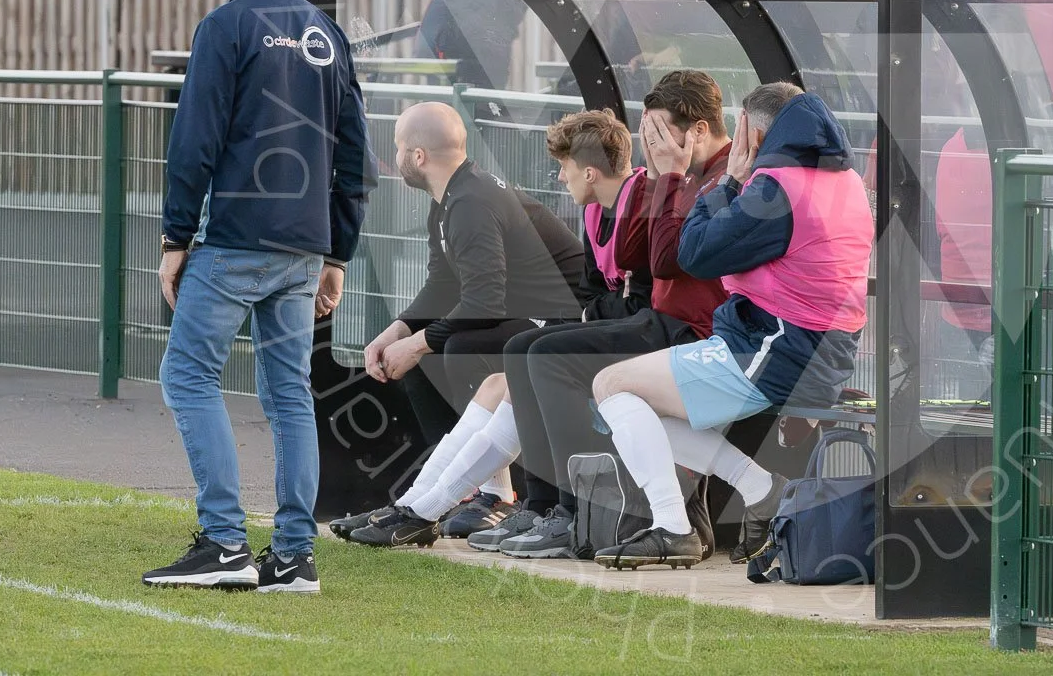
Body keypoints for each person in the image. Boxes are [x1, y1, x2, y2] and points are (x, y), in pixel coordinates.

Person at [143, 0, 376, 593]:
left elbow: (194, 141)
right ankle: (295, 556)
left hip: (237, 240)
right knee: (289, 395)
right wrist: (337, 252)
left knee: (187, 376)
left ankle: (223, 541)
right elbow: (355, 154)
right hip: (304, 250)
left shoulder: (225, 26)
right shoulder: (326, 33)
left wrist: (175, 236)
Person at [590, 83, 875, 569]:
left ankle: (674, 527)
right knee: (632, 401)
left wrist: (728, 182)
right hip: (809, 351)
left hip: (774, 350)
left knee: (610, 386)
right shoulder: (840, 179)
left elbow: (693, 252)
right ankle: (757, 489)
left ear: (754, 132)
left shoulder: (776, 189)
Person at [340, 109, 650, 546]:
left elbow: (484, 301)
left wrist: (417, 344)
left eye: (397, 147)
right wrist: (397, 332)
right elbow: (444, 283)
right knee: (431, 359)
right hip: (527, 316)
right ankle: (431, 500)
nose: (395, 156)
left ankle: (493, 496)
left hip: (563, 316)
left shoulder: (471, 201)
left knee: (459, 349)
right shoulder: (451, 198)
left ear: (418, 154)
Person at [479, 70, 734, 559]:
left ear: (698, 130)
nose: (653, 145)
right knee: (523, 347)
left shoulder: (724, 177)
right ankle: (544, 505)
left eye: (661, 133)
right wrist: (663, 176)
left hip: (695, 332)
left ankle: (575, 512)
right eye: (650, 135)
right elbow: (639, 250)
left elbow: (664, 261)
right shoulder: (681, 175)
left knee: (551, 356)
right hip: (663, 322)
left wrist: (669, 175)